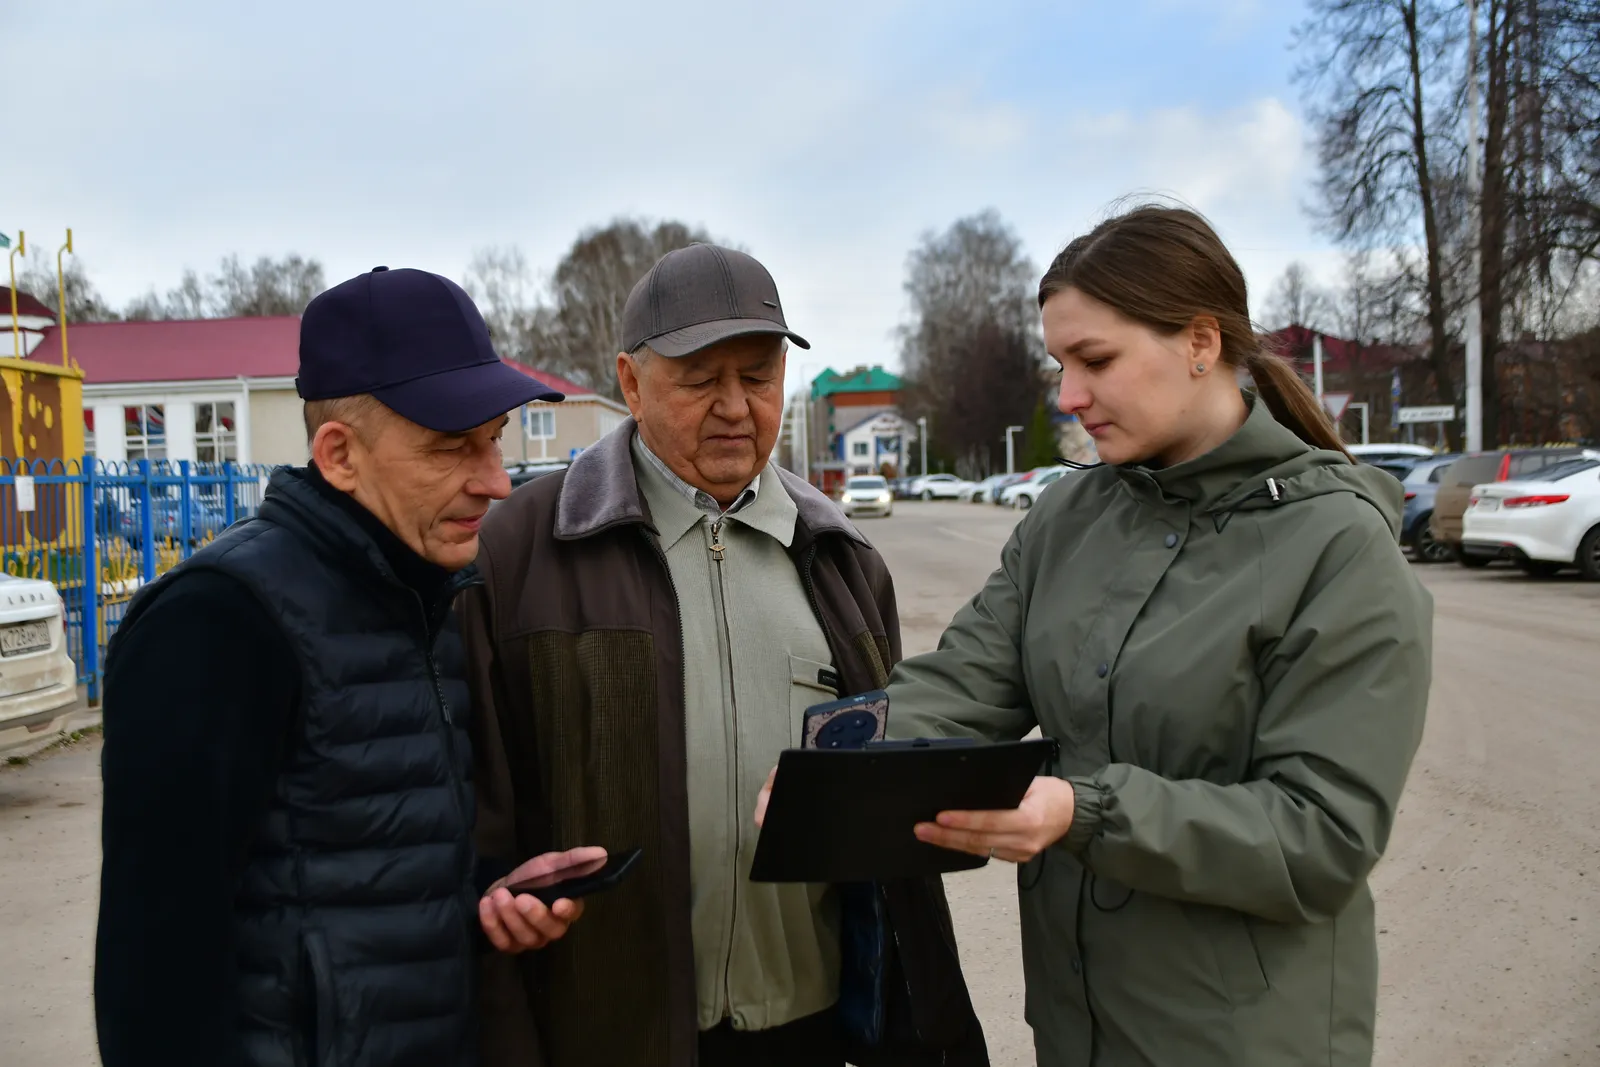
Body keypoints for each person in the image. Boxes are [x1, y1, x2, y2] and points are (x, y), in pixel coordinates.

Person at [772, 206, 1433, 1066]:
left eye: (1096, 360)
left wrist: (1086, 811)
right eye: (1059, 363)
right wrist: (834, 766)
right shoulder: (1069, 517)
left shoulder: (1338, 546)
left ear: (1200, 341)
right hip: (1079, 1026)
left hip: (1247, 1038)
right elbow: (968, 678)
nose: (1068, 396)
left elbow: (1322, 835)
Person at [461, 243, 988, 1067]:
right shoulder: (519, 551)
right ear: (631, 385)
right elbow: (473, 802)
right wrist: (489, 890)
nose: (737, 406)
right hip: (603, 1035)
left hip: (808, 1030)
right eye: (702, 380)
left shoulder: (842, 559)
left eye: (759, 375)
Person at [96, 266, 598, 1067]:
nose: (497, 479)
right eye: (452, 446)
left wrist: (486, 892)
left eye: (496, 437)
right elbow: (154, 964)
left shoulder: (422, 594)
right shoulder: (217, 621)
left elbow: (347, 868)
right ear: (340, 455)